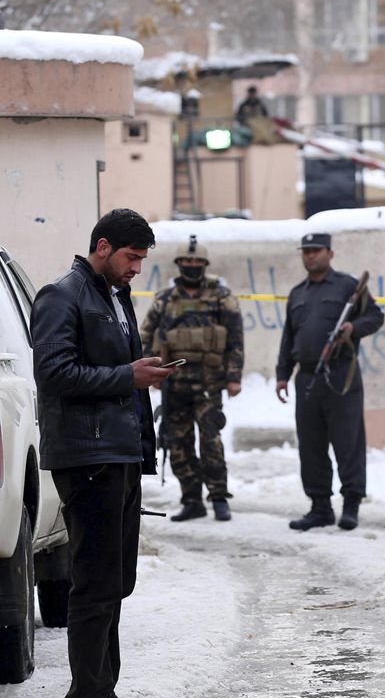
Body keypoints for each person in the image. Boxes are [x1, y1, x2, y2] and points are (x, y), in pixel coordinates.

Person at [31, 209, 176, 698]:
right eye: (132, 258)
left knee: (116, 582)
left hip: (119, 455)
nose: (137, 268)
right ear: (103, 246)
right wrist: (126, 376)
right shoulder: (62, 295)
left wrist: (138, 373)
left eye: (141, 260)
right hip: (86, 457)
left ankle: (101, 686)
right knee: (94, 585)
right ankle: (89, 691)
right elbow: (53, 374)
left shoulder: (114, 297)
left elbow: (114, 370)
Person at [275, 232, 384, 531]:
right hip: (307, 377)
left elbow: (375, 316)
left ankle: (351, 504)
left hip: (341, 375)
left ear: (329, 253)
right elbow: (289, 337)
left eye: (316, 250)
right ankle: (319, 506)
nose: (311, 256)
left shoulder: (348, 286)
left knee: (348, 443)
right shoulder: (298, 293)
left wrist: (353, 327)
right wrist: (283, 374)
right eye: (306, 251)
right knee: (310, 446)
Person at [140, 235, 244, 522]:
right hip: (175, 384)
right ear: (178, 264)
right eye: (187, 261)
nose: (192, 266)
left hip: (209, 383)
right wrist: (152, 372)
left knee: (211, 441)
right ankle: (191, 499)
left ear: (205, 265)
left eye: (197, 262)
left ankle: (219, 497)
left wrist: (234, 376)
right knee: (178, 443)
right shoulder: (164, 300)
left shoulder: (221, 298)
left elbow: (235, 338)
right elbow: (145, 336)